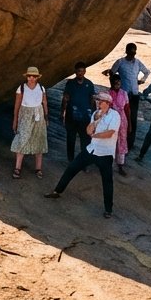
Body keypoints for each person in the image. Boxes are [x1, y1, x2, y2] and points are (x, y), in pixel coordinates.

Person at [44, 90, 119, 218]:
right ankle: (57, 191)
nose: (97, 102)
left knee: (107, 181)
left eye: (99, 101)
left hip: (105, 153)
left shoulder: (115, 116)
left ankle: (108, 209)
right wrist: (95, 121)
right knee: (72, 168)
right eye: (97, 100)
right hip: (92, 149)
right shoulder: (96, 113)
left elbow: (110, 133)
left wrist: (95, 134)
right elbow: (88, 130)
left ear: (107, 103)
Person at [107, 42, 150, 149]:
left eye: (133, 52)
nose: (132, 54)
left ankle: (129, 143)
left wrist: (142, 80)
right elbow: (112, 74)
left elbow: (147, 72)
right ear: (126, 51)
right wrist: (114, 89)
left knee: (132, 119)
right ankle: (117, 142)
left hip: (134, 95)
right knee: (119, 118)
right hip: (122, 95)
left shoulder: (138, 62)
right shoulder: (120, 62)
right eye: (130, 52)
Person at [10, 66, 48, 178]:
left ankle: (38, 169)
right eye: (29, 76)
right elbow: (17, 106)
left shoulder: (41, 88)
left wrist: (46, 117)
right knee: (22, 138)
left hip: (38, 115)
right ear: (27, 77)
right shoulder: (21, 88)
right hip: (25, 115)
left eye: (34, 76)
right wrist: (15, 120)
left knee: (39, 140)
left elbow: (44, 103)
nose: (31, 78)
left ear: (37, 78)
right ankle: (17, 168)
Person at [60, 62, 96, 161]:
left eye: (82, 71)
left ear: (85, 71)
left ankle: (83, 162)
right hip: (71, 117)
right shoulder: (70, 83)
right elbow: (65, 98)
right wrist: (62, 112)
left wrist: (95, 116)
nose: (80, 73)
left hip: (85, 118)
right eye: (78, 71)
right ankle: (70, 160)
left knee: (85, 141)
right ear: (75, 72)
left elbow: (92, 100)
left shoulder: (89, 84)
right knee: (71, 139)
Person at [107, 73, 130, 175]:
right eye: (115, 82)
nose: (117, 84)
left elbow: (127, 109)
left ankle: (120, 166)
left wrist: (130, 124)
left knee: (122, 142)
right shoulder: (108, 94)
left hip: (122, 121)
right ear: (111, 83)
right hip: (111, 121)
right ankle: (108, 165)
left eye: (119, 82)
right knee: (110, 142)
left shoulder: (124, 93)